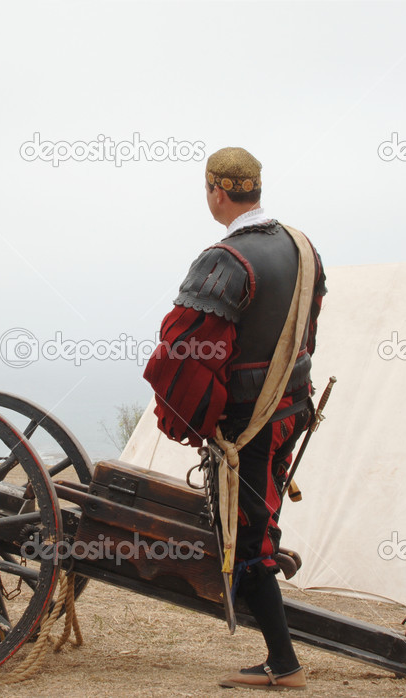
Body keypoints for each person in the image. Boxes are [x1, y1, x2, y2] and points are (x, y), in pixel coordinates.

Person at [143, 147, 326, 690]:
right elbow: (307, 330)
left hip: (249, 425)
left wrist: (194, 420)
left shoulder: (224, 261)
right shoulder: (302, 245)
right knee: (259, 520)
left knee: (247, 537)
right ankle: (280, 653)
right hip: (292, 408)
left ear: (217, 192)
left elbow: (188, 353)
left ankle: (284, 666)